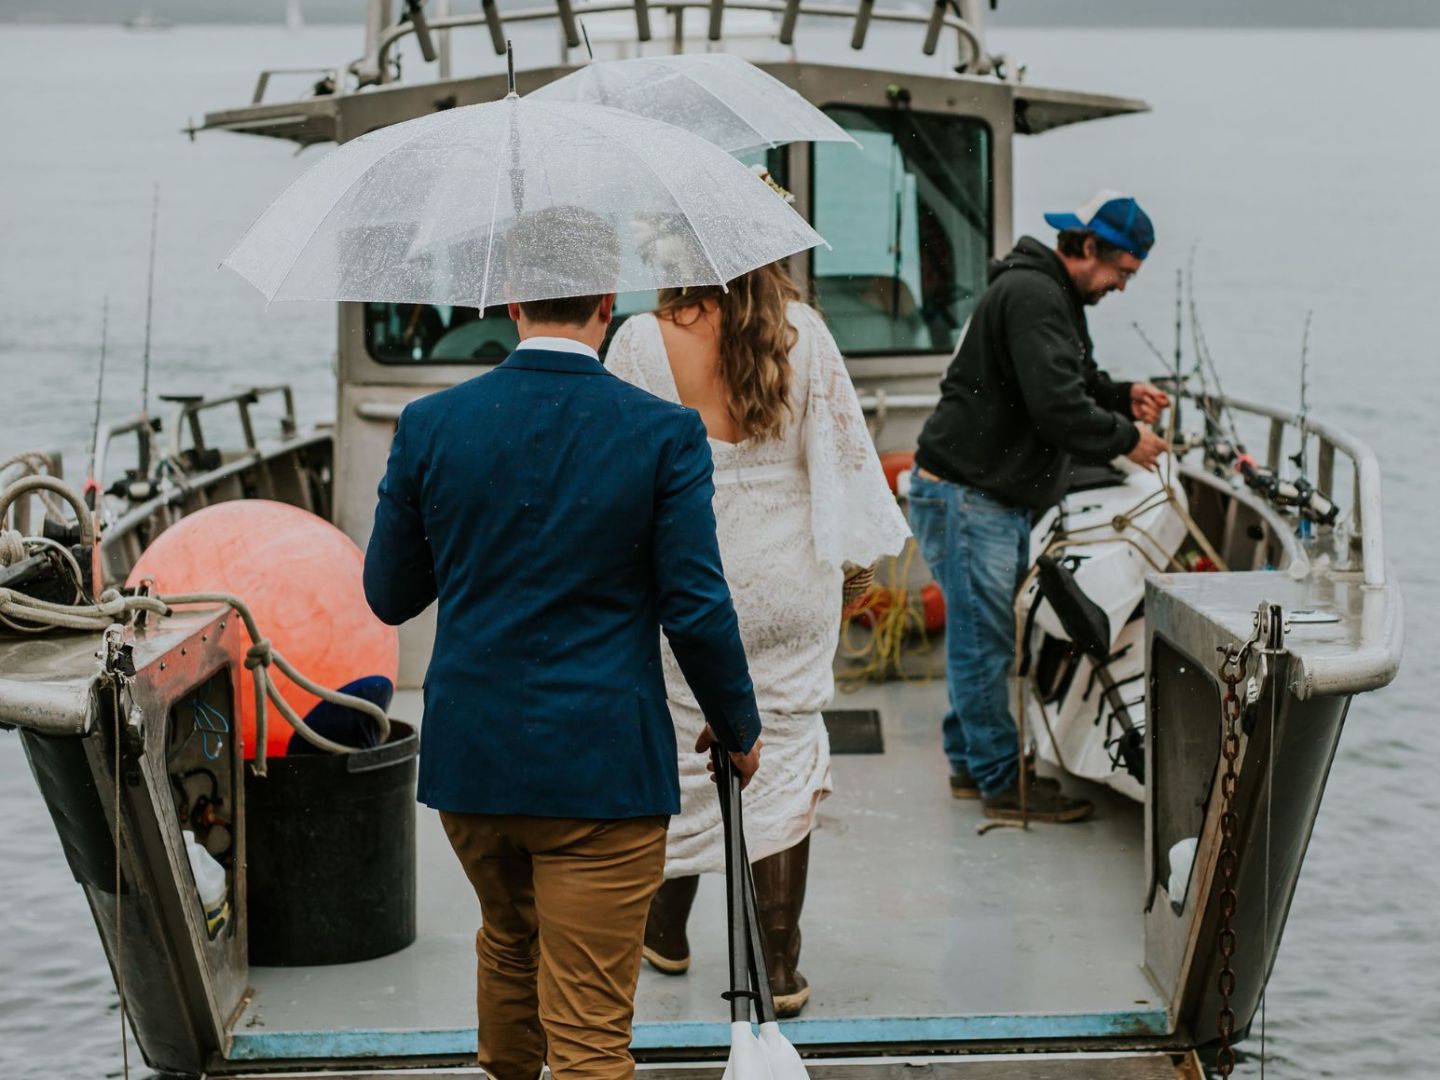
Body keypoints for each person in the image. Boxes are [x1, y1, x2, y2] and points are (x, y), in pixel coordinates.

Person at [362, 206, 763, 1080]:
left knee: (508, 946)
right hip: (600, 772)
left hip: (475, 765)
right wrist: (738, 726)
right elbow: (695, 607)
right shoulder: (662, 435)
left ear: (510, 299)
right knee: (589, 1037)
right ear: (607, 301)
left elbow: (389, 596)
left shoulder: (432, 425)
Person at [605, 244, 910, 1015]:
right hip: (788, 584)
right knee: (783, 758)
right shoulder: (803, 331)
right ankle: (779, 967)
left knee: (681, 748)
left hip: (692, 578)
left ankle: (664, 935)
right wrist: (852, 570)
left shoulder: (643, 340)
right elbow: (844, 459)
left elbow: (613, 465)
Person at [910, 190, 1170, 824]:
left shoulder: (1050, 293)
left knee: (981, 639)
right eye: (1120, 273)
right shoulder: (1034, 295)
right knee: (984, 646)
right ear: (1085, 248)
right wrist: (1128, 439)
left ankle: (972, 766)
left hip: (978, 495)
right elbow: (1055, 408)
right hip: (968, 498)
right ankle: (1002, 784)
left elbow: (1069, 382)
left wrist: (1118, 394)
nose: (1120, 287)